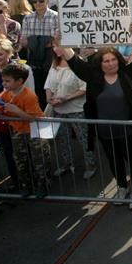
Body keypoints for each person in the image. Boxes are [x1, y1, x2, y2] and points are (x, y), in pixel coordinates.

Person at [55, 43, 132, 209]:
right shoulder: (93, 77)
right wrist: (61, 42)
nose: (110, 63)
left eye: (113, 60)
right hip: (105, 132)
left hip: (130, 131)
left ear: (119, 61)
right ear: (100, 63)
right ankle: (121, 187)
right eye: (106, 61)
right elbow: (73, 60)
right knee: (114, 161)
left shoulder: (128, 74)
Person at [0, 63, 49, 198]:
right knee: (20, 160)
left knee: (39, 160)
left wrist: (18, 111)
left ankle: (42, 185)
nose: (4, 84)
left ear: (19, 81)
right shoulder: (4, 95)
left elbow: (33, 118)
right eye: (3, 80)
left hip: (35, 131)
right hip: (18, 131)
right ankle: (26, 186)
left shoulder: (29, 96)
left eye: (7, 81)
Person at [45, 46, 95, 180]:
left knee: (83, 138)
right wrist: (48, 97)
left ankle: (90, 164)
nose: (57, 49)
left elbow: (84, 88)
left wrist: (66, 98)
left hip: (76, 110)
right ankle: (66, 163)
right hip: (58, 109)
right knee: (62, 138)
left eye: (60, 46)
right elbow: (49, 84)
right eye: (55, 46)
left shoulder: (80, 64)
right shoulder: (54, 64)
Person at [19, 0, 59, 109]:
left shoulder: (56, 17)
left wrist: (35, 41)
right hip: (34, 61)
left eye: (41, 0)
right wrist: (44, 41)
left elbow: (57, 41)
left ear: (47, 0)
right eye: (34, 1)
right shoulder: (27, 18)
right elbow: (24, 41)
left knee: (51, 90)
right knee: (37, 90)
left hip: (52, 60)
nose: (37, 4)